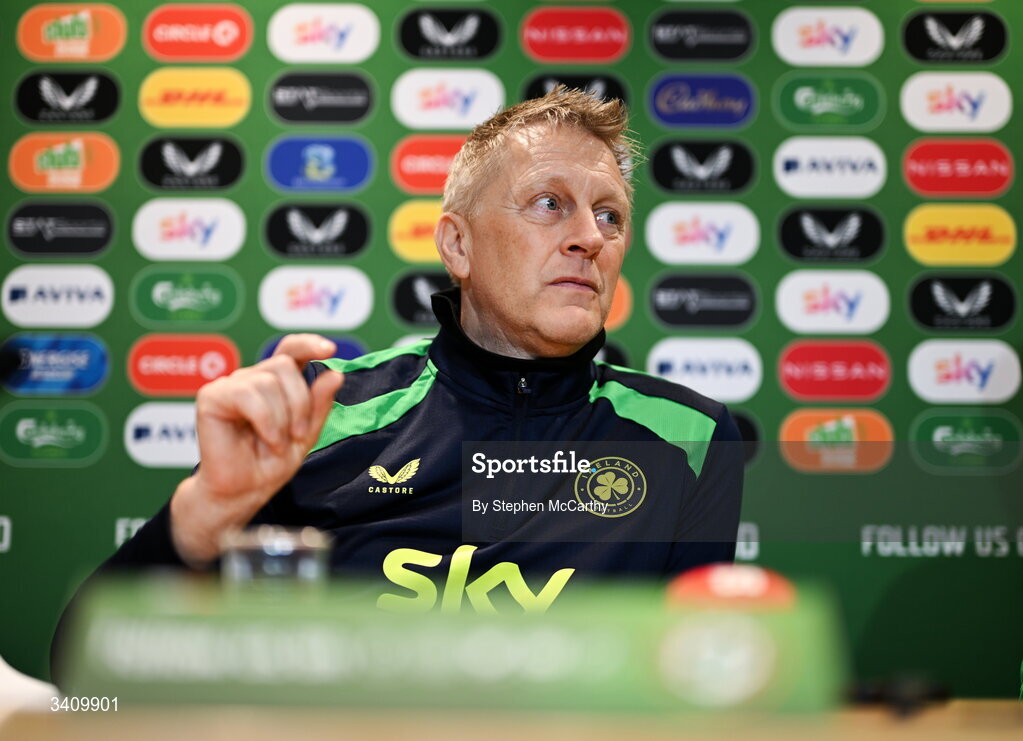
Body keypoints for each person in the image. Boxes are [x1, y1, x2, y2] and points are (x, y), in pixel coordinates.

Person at [52, 88, 742, 673]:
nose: (589, 237)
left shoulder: (687, 437)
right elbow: (88, 671)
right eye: (547, 203)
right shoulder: (322, 411)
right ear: (457, 245)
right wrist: (201, 514)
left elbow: (700, 688)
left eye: (609, 214)